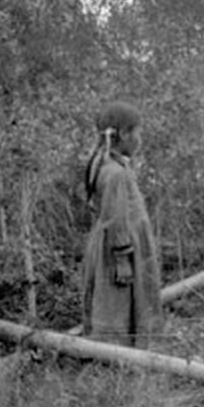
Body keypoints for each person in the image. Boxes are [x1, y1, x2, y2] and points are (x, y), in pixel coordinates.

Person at [82, 101, 163, 347]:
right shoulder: (115, 173)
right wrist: (122, 259)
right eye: (137, 133)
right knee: (118, 299)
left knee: (118, 300)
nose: (139, 139)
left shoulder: (108, 165)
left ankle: (119, 351)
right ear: (124, 134)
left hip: (114, 245)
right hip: (120, 248)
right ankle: (116, 353)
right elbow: (116, 218)